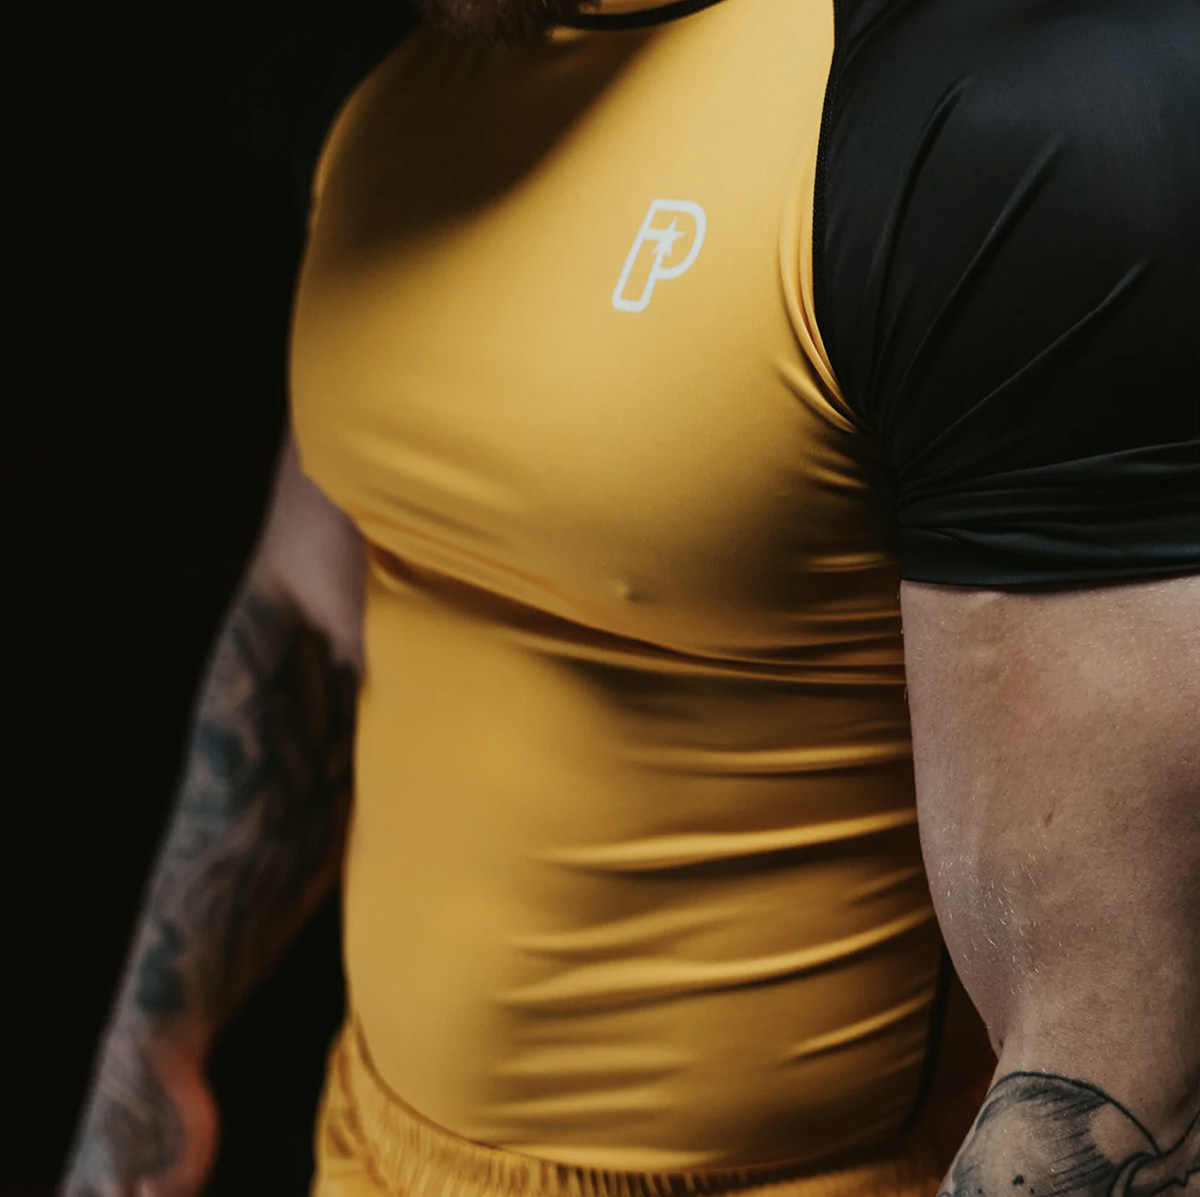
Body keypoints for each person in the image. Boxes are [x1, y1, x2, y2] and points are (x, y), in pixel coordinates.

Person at [63, 0, 1200, 1193]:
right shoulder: (411, 64)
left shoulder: (989, 117)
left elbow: (1117, 1058)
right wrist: (145, 1067)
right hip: (361, 1147)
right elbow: (305, 615)